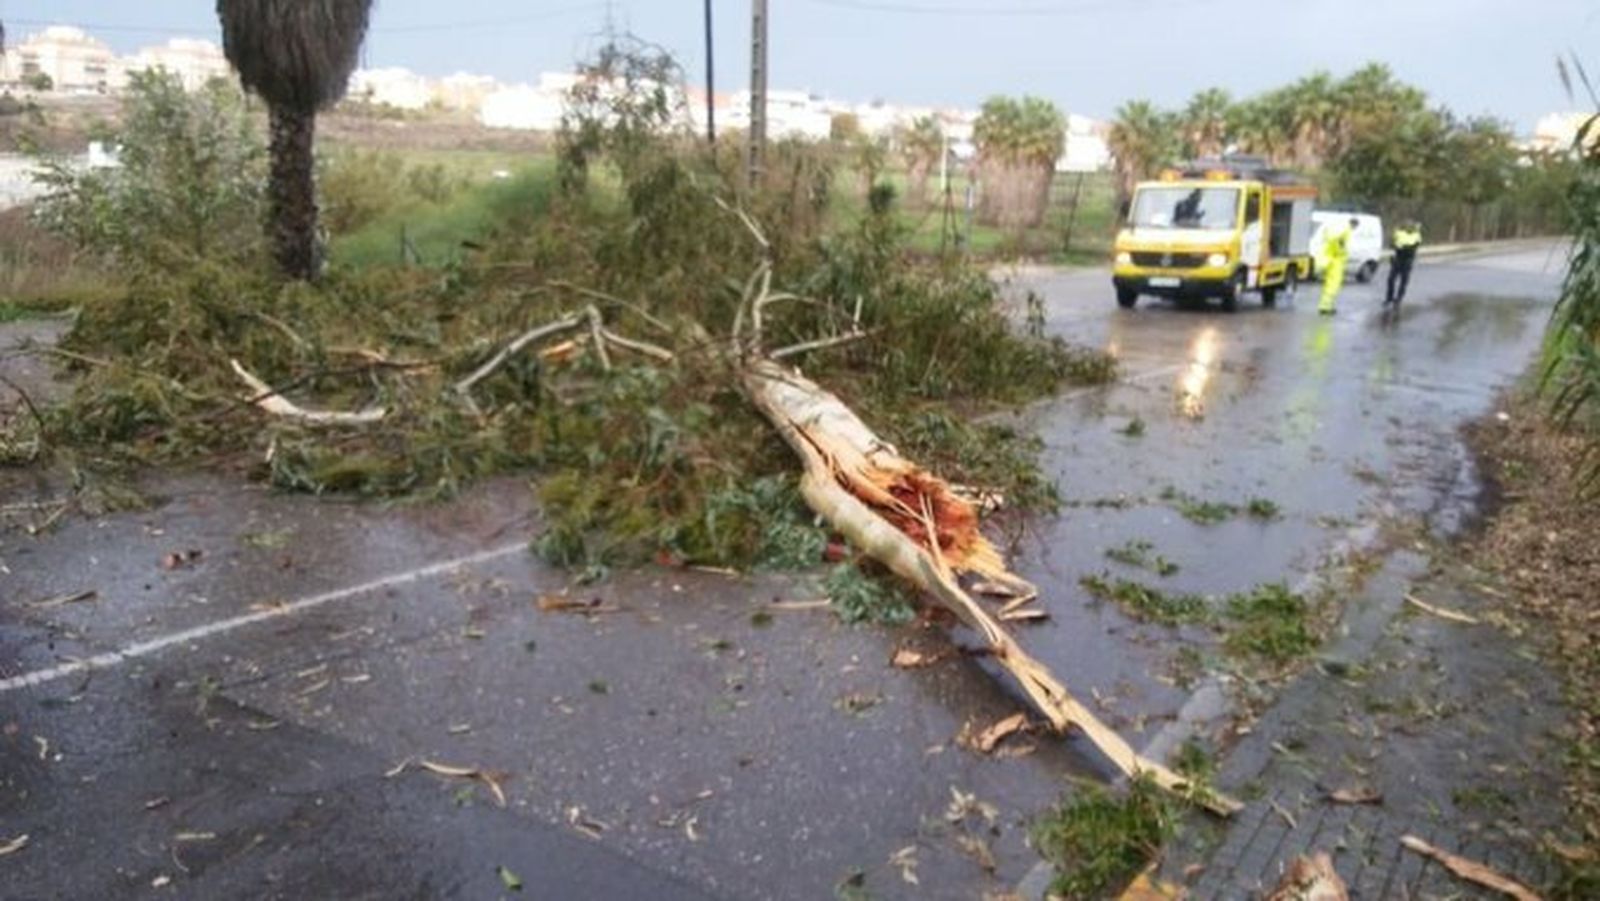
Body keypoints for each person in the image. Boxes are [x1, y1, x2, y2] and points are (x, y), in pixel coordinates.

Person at [1318, 217, 1357, 315]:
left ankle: (1325, 306)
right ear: (1354, 225)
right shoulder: (1346, 231)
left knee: (1329, 285)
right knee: (1333, 285)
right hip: (1336, 261)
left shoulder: (1340, 228)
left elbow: (1334, 240)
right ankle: (1326, 307)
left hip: (1332, 260)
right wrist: (1341, 252)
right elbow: (1339, 243)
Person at [1385, 220, 1423, 308]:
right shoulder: (1399, 233)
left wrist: (1404, 247)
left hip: (1408, 260)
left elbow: (1416, 244)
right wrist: (1394, 244)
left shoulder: (1416, 235)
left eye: (1410, 226)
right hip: (1398, 258)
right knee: (1391, 280)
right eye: (1406, 226)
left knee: (1404, 281)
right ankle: (1389, 298)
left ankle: (1399, 299)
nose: (1408, 227)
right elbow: (1392, 243)